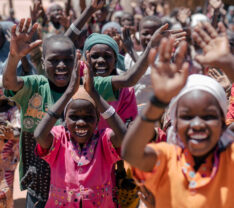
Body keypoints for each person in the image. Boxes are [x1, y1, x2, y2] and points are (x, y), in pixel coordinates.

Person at [122, 37, 234, 208]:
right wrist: (158, 101)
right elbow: (131, 153)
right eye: (187, 117)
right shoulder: (167, 160)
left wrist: (229, 66)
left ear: (222, 121)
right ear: (175, 122)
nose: (197, 124)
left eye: (208, 116)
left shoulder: (229, 160)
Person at [33, 62, 126, 207]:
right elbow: (39, 135)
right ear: (65, 119)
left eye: (89, 117)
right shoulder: (59, 139)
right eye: (74, 116)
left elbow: (123, 135)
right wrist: (69, 92)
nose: (81, 122)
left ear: (97, 119)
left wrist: (94, 93)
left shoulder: (104, 140)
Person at [0, 76, 20, 208]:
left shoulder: (12, 109)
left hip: (7, 159)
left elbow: (19, 132)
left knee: (6, 188)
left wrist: (11, 133)